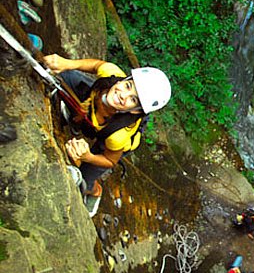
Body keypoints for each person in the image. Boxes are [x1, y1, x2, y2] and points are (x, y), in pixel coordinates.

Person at [43, 54, 171, 217]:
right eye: (128, 85)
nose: (123, 95)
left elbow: (110, 160)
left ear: (135, 111)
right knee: (65, 76)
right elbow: (96, 65)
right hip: (96, 107)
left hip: (110, 144)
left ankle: (95, 191)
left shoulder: (119, 136)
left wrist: (87, 156)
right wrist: (66, 63)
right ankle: (77, 120)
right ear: (124, 79)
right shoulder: (111, 75)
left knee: (82, 177)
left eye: (133, 99)